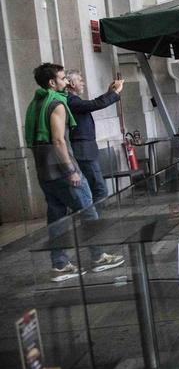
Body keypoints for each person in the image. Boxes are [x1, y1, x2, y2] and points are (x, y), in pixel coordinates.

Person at [25, 64, 124, 281]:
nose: (66, 82)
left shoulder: (36, 103)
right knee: (88, 209)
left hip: (44, 171)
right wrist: (71, 170)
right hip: (62, 170)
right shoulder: (57, 103)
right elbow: (59, 140)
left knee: (56, 218)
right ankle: (98, 257)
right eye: (62, 79)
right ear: (52, 83)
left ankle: (59, 264)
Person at [65, 70, 123, 205]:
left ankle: (92, 221)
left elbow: (94, 103)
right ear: (72, 83)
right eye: (80, 80)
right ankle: (94, 223)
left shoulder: (73, 100)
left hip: (86, 150)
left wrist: (110, 92)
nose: (83, 83)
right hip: (83, 151)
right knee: (99, 190)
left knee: (95, 188)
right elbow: (94, 104)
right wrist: (114, 93)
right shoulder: (71, 101)